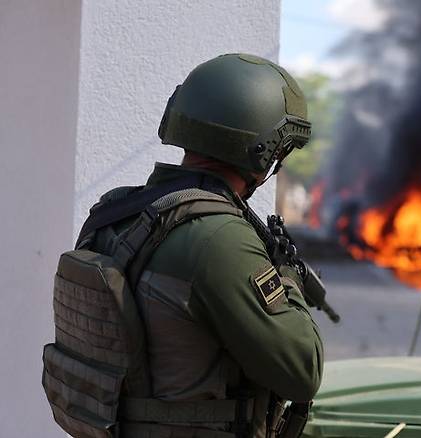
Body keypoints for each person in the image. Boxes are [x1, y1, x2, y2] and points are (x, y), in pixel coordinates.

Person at [47, 53, 323, 438]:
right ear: (264, 150)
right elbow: (302, 371)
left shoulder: (114, 212)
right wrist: (289, 282)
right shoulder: (219, 238)